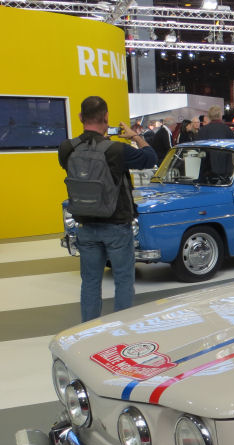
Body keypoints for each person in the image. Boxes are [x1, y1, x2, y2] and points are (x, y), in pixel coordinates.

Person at [57, 96, 157, 322]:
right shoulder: (116, 150)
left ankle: (88, 330)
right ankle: (119, 330)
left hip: (85, 225)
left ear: (80, 117)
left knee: (90, 282)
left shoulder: (66, 148)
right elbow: (150, 158)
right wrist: (135, 136)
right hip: (116, 225)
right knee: (123, 280)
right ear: (106, 117)